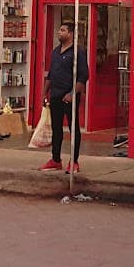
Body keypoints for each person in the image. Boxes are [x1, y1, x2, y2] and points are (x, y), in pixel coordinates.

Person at [40, 21, 88, 173]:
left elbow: (83, 76)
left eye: (63, 30)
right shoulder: (55, 52)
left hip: (69, 97)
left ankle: (74, 161)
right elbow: (51, 74)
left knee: (74, 129)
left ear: (71, 34)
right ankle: (55, 159)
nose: (59, 32)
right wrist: (44, 92)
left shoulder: (78, 52)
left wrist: (73, 94)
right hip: (55, 95)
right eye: (59, 30)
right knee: (56, 129)